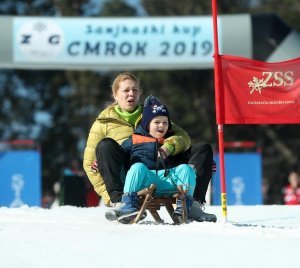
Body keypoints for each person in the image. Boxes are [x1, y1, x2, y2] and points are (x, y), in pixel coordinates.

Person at [83, 72, 216, 222]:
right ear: (115, 95)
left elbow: (183, 137)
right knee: (105, 146)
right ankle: (121, 202)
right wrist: (109, 196)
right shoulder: (103, 123)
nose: (131, 94)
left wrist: (169, 146)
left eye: (135, 90)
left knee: (203, 150)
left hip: (164, 166)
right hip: (131, 173)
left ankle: (193, 204)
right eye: (126, 90)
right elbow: (89, 164)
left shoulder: (152, 113)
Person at [117, 96, 196, 224]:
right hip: (145, 180)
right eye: (157, 122)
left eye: (165, 122)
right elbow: (117, 153)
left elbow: (187, 150)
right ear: (147, 124)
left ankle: (184, 204)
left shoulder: (172, 139)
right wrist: (101, 161)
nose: (161, 126)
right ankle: (129, 204)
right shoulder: (134, 139)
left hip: (168, 179)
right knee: (137, 167)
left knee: (186, 169)